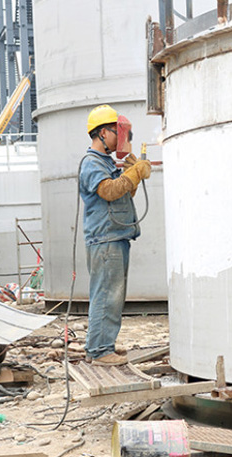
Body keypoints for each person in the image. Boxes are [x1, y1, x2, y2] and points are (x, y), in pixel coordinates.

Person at [79, 104, 151, 366]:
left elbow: (122, 194)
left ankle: (103, 345)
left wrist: (134, 175)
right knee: (106, 294)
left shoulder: (106, 162)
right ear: (101, 133)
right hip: (105, 239)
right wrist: (132, 173)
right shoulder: (91, 163)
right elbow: (108, 191)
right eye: (116, 131)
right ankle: (99, 351)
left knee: (113, 295)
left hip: (115, 236)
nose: (122, 137)